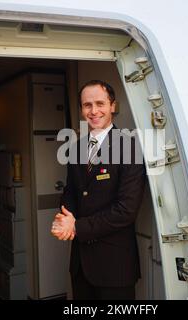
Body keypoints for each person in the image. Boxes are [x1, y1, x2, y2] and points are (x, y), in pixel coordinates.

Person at [51, 80, 146, 300]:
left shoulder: (130, 147)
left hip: (115, 267)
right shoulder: (75, 148)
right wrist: (65, 218)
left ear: (112, 106)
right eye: (87, 105)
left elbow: (126, 210)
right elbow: (71, 192)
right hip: (81, 266)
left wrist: (76, 227)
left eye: (100, 103)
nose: (94, 111)